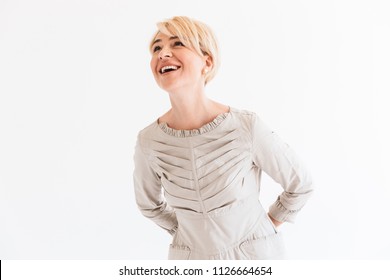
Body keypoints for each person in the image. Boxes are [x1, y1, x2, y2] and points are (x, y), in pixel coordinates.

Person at [133, 16, 313, 260]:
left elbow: (300, 184)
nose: (163, 53)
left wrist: (265, 226)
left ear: (206, 62)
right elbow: (149, 205)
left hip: (255, 259)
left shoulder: (245, 126)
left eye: (177, 44)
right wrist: (187, 233)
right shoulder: (149, 141)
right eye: (157, 47)